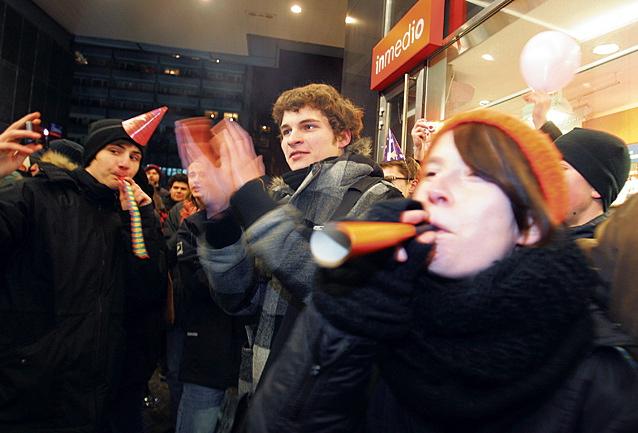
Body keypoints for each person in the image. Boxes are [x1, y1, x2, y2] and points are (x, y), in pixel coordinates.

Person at [246, 109, 638, 433]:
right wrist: (343, 319)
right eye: (432, 173)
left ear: (530, 226)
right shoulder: (380, 314)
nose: (435, 190)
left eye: (476, 176)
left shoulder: (598, 374)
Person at [196, 83, 401, 404]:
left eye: (308, 126)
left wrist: (250, 198)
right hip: (264, 391)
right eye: (286, 130)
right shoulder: (278, 200)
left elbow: (336, 293)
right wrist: (221, 220)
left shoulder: (379, 199)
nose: (292, 138)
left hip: (328, 401)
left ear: (343, 137)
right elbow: (237, 300)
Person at [0, 109, 166, 432]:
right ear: (92, 153)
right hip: (28, 393)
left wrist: (143, 219)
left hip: (95, 399)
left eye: (134, 157)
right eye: (114, 151)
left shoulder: (127, 216)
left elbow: (147, 291)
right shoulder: (38, 196)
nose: (125, 163)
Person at [173, 159, 247, 433]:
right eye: (191, 174)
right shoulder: (191, 225)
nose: (195, 179)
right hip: (205, 350)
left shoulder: (249, 219)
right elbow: (200, 282)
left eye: (203, 173)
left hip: (246, 356)